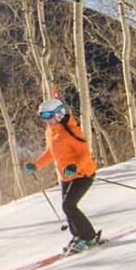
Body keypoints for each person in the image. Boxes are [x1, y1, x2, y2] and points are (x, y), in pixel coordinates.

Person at [30, 93, 103, 253]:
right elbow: (51, 152)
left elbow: (85, 154)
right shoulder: (51, 132)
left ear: (58, 113)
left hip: (83, 174)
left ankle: (89, 237)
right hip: (66, 176)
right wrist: (36, 165)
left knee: (68, 205)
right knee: (67, 207)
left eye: (49, 115)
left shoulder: (71, 130)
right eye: (43, 117)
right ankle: (78, 236)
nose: (47, 120)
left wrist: (75, 167)